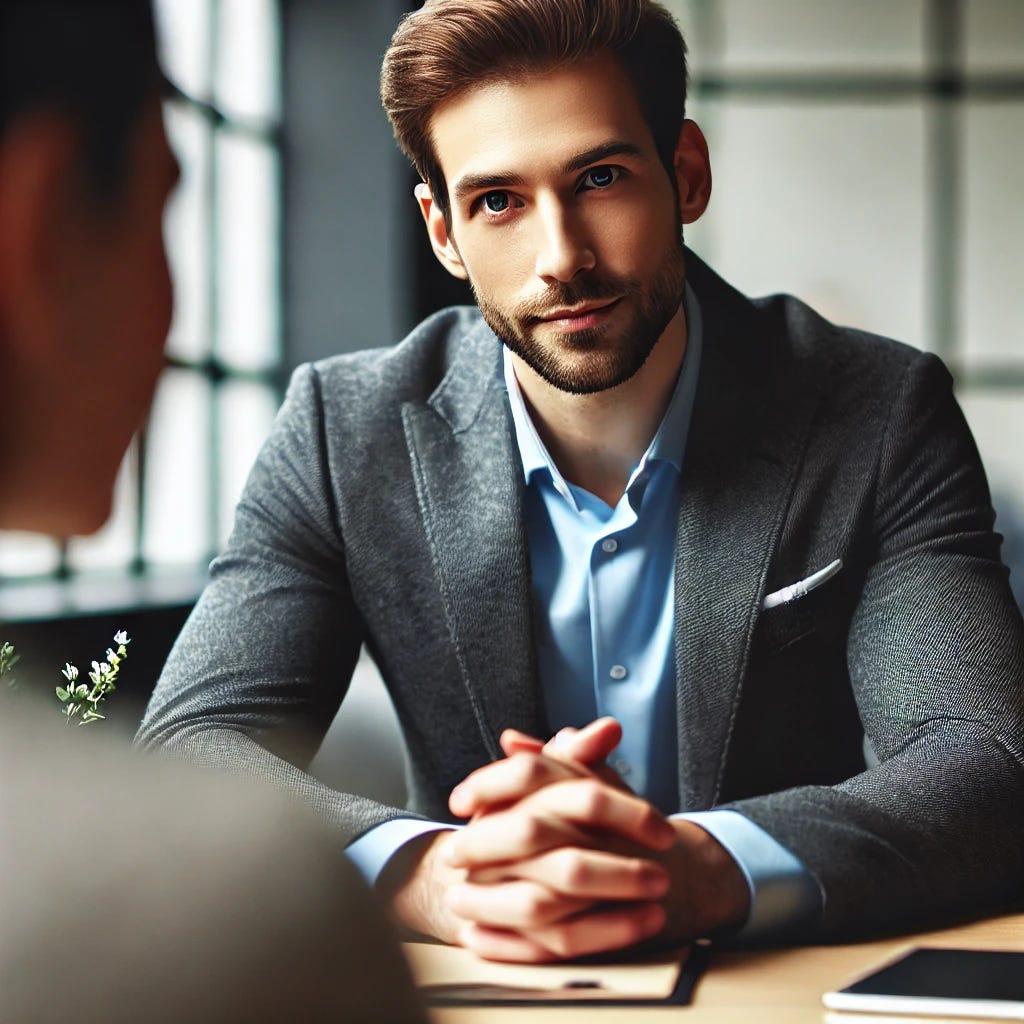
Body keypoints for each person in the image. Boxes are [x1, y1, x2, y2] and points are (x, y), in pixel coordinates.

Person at [138, 0, 1024, 965]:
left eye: (599, 177)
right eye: (498, 202)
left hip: (779, 979)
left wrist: (697, 868)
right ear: (442, 231)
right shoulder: (340, 430)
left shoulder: (877, 409)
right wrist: (437, 874)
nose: (562, 258)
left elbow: (986, 761)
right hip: (488, 982)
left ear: (685, 173)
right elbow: (195, 749)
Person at [0, 3, 426, 1020]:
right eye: (161, 205)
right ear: (44, 229)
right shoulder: (200, 901)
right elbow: (198, 735)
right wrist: (430, 864)